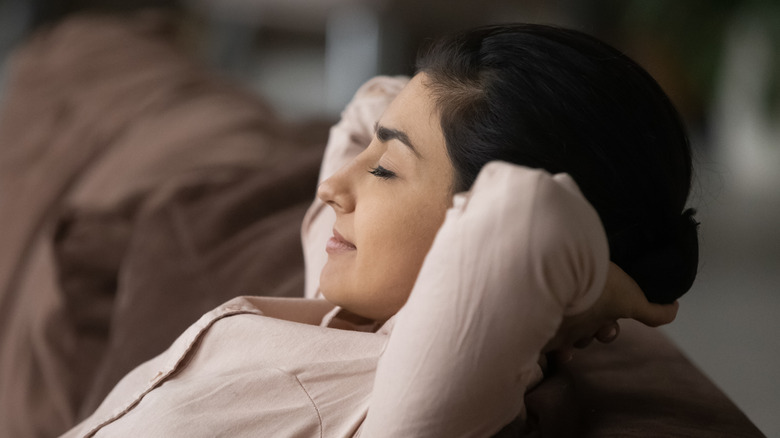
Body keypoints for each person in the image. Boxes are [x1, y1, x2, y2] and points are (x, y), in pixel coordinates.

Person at [61, 23, 698, 437]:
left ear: (467, 223)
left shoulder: (413, 406)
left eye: (386, 169)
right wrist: (432, 107)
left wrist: (609, 291)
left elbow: (524, 218)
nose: (332, 187)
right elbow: (374, 99)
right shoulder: (348, 316)